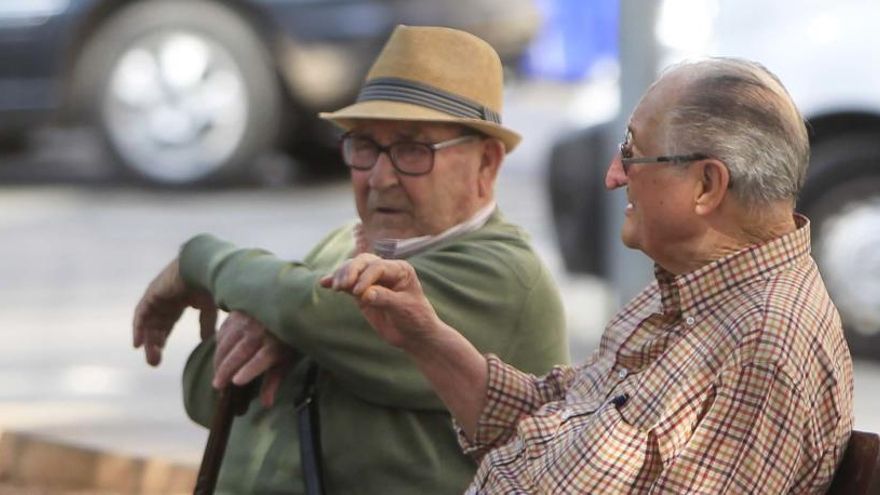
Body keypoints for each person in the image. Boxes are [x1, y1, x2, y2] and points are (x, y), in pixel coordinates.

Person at [327, 57, 855, 493]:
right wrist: (425, 336)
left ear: (706, 187)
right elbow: (555, 410)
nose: (613, 176)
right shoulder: (692, 291)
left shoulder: (763, 342)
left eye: (633, 154)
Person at [132, 25, 570, 494]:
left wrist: (202, 259)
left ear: (487, 163)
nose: (380, 177)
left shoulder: (502, 272)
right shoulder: (342, 245)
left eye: (411, 149)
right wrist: (279, 316)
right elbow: (207, 393)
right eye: (365, 146)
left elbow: (312, 310)